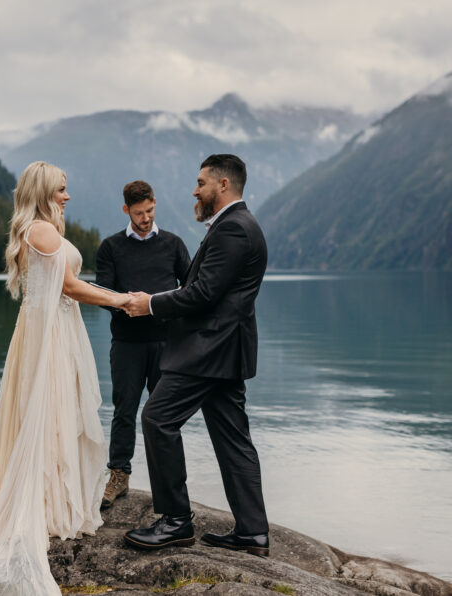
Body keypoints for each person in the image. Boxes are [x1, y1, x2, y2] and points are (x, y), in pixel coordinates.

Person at [0, 161, 129, 595]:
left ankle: (49, 498)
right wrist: (123, 300)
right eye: (60, 190)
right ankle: (44, 504)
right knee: (49, 410)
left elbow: (65, 284)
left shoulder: (36, 230)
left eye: (66, 189)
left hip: (42, 328)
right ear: (42, 193)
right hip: (49, 333)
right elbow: (70, 287)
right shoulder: (41, 231)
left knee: (50, 411)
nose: (67, 197)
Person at [121, 154, 271, 557]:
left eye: (201, 182)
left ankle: (175, 521)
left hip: (208, 350)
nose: (195, 189)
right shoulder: (239, 225)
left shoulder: (234, 229)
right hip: (225, 351)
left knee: (157, 419)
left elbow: (203, 293)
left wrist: (150, 303)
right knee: (234, 439)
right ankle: (253, 533)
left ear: (223, 185)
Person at [95, 181, 190, 510]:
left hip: (168, 344)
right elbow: (103, 294)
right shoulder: (110, 248)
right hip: (127, 345)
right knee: (124, 411)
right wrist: (127, 303)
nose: (146, 218)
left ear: (155, 204)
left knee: (164, 416)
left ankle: (166, 483)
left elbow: (189, 292)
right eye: (139, 213)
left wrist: (156, 304)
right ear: (126, 211)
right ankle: (119, 475)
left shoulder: (174, 245)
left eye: (149, 211)